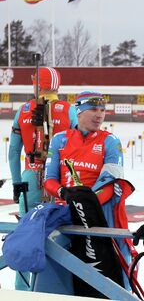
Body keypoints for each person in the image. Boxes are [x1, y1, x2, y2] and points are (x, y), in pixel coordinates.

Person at [43, 91, 136, 292]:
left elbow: (110, 184)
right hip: (65, 215)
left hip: (100, 216)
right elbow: (49, 180)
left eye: (103, 110)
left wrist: (84, 204)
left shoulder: (110, 141)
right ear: (79, 111)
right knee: (63, 272)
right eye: (93, 109)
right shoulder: (60, 139)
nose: (99, 115)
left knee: (111, 277)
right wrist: (64, 194)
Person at [8, 66, 77, 290]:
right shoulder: (69, 110)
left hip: (30, 179)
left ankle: (23, 288)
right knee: (61, 235)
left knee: (26, 235)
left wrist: (18, 182)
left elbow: (12, 152)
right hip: (60, 181)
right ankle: (55, 287)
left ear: (37, 83)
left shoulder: (24, 109)